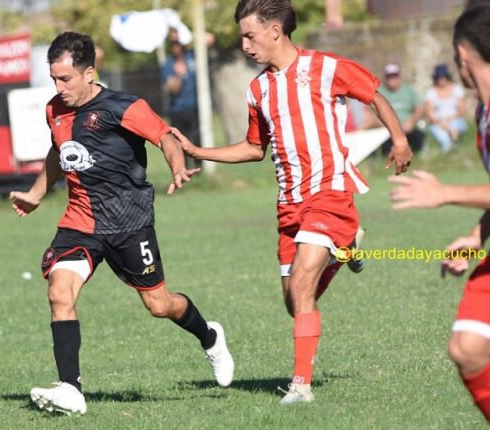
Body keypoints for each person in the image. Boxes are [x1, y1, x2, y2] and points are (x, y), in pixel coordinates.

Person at [172, 0, 412, 404]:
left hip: (330, 192)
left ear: (275, 31)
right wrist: (199, 150)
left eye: (250, 35)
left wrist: (400, 139)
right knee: (294, 301)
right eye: (241, 36)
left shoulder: (326, 68)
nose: (245, 44)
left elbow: (374, 95)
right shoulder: (258, 89)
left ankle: (301, 386)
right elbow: (253, 148)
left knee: (302, 284)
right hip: (289, 203)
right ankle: (343, 249)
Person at [9, 32, 234, 415]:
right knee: (59, 292)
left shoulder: (122, 107)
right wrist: (36, 193)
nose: (58, 88)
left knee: (159, 305)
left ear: (90, 73)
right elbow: (58, 150)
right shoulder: (55, 110)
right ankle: (70, 389)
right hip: (80, 221)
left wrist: (177, 167)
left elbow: (164, 137)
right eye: (53, 79)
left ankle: (209, 335)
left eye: (66, 79)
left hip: (130, 222)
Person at [389, 5, 490, 423]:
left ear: (462, 55)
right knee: (467, 347)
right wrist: (477, 236)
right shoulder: (482, 114)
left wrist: (445, 192)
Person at [161, 30, 201, 170]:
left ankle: (199, 169)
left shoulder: (194, 55)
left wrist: (187, 34)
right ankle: (184, 170)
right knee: (180, 142)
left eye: (178, 42)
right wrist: (179, 75)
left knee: (197, 139)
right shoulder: (168, 64)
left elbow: (209, 39)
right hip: (178, 109)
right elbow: (172, 90)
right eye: (173, 43)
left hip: (195, 106)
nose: (176, 46)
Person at [373, 63, 425, 155]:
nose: (392, 79)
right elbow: (370, 112)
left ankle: (419, 153)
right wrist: (384, 124)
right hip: (386, 130)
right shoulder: (379, 93)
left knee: (417, 137)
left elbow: (420, 108)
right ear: (385, 78)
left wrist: (411, 121)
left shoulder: (409, 90)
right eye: (389, 77)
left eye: (394, 76)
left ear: (399, 76)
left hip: (408, 128)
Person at [424, 63, 468, 153]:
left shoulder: (457, 89)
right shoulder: (431, 92)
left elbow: (462, 110)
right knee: (444, 140)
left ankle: (455, 146)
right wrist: (440, 122)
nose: (441, 79)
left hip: (455, 119)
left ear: (448, 77)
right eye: (439, 77)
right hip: (437, 122)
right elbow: (429, 113)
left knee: (454, 127)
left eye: (443, 76)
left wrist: (449, 120)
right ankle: (450, 150)